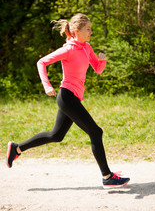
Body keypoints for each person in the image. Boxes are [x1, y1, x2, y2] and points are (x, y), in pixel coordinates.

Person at [6, 13, 130, 188]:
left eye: (91, 29)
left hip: (73, 98)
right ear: (77, 31)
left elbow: (97, 68)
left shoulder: (87, 47)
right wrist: (47, 85)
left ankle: (17, 148)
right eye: (88, 29)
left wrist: (102, 61)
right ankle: (107, 176)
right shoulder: (68, 49)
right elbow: (41, 62)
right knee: (96, 132)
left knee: (55, 135)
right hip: (66, 96)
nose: (91, 32)